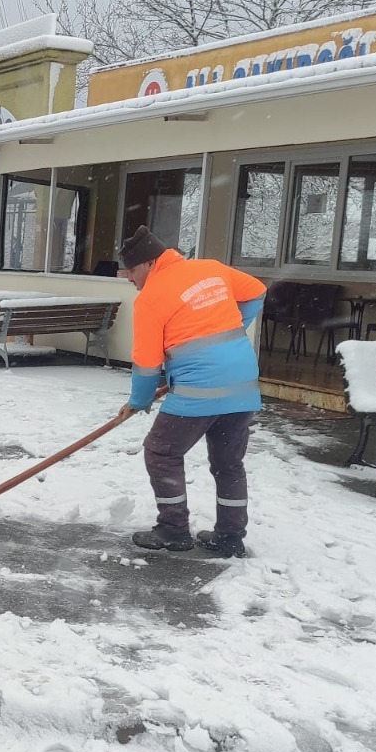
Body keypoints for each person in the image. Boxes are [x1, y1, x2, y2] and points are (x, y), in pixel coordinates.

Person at [113, 226, 266, 558]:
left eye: (130, 270)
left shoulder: (151, 299)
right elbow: (257, 291)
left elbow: (146, 364)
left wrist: (138, 401)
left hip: (200, 389)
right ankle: (230, 536)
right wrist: (235, 327)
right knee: (228, 463)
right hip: (242, 385)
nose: (128, 278)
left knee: (161, 451)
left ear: (147, 264)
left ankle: (173, 529)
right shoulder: (210, 269)